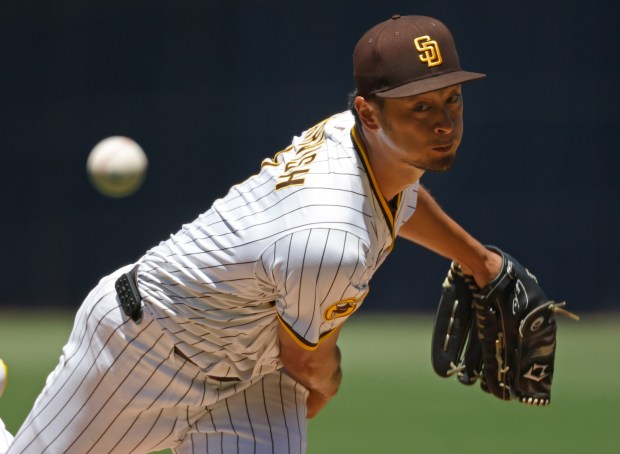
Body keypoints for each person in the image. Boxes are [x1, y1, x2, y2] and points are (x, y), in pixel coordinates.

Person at [3, 14, 503, 454]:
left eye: (451, 99)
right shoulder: (331, 240)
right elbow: (308, 362)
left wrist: (480, 261)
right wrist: (328, 388)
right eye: (419, 107)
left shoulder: (353, 137)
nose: (444, 123)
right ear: (369, 112)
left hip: (253, 376)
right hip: (146, 349)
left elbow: (401, 198)